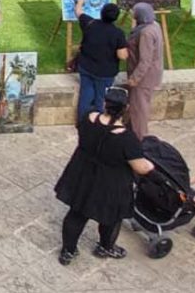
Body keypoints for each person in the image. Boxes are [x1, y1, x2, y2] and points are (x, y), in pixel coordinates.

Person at [54, 87, 156, 264]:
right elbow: (140, 167)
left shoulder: (88, 118)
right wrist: (150, 166)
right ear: (126, 108)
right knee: (111, 218)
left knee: (77, 214)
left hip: (83, 173)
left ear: (105, 104)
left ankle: (68, 251)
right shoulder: (127, 138)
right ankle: (105, 247)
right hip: (110, 182)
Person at [74, 0, 127, 119]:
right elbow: (122, 56)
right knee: (101, 100)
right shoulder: (118, 34)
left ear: (102, 13)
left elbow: (78, 12)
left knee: (85, 96)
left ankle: (82, 122)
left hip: (86, 67)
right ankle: (98, 123)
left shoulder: (90, 24)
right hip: (105, 72)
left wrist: (80, 2)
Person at [123, 3, 164, 140]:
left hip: (144, 77)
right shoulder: (154, 26)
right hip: (150, 74)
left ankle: (139, 138)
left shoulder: (146, 33)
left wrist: (135, 78)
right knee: (138, 105)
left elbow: (145, 60)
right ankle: (132, 130)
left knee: (139, 108)